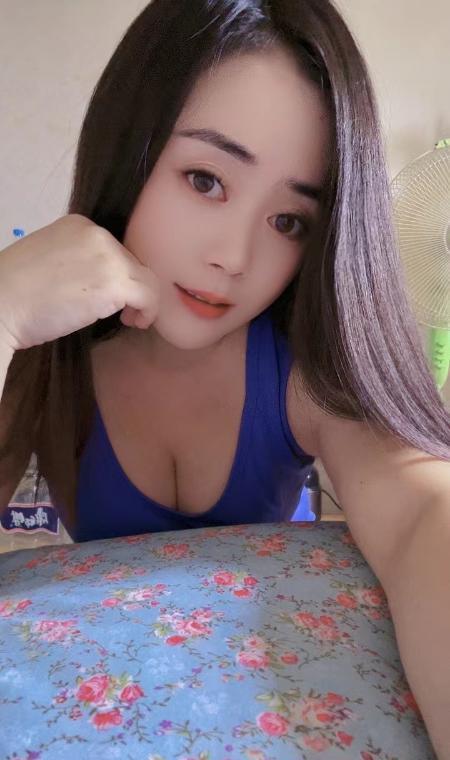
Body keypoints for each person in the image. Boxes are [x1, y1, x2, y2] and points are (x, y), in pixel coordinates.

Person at [0, 0, 449, 753]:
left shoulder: (300, 365)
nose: (235, 258)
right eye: (205, 179)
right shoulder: (48, 352)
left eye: (289, 222)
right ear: (129, 150)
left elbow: (419, 511)